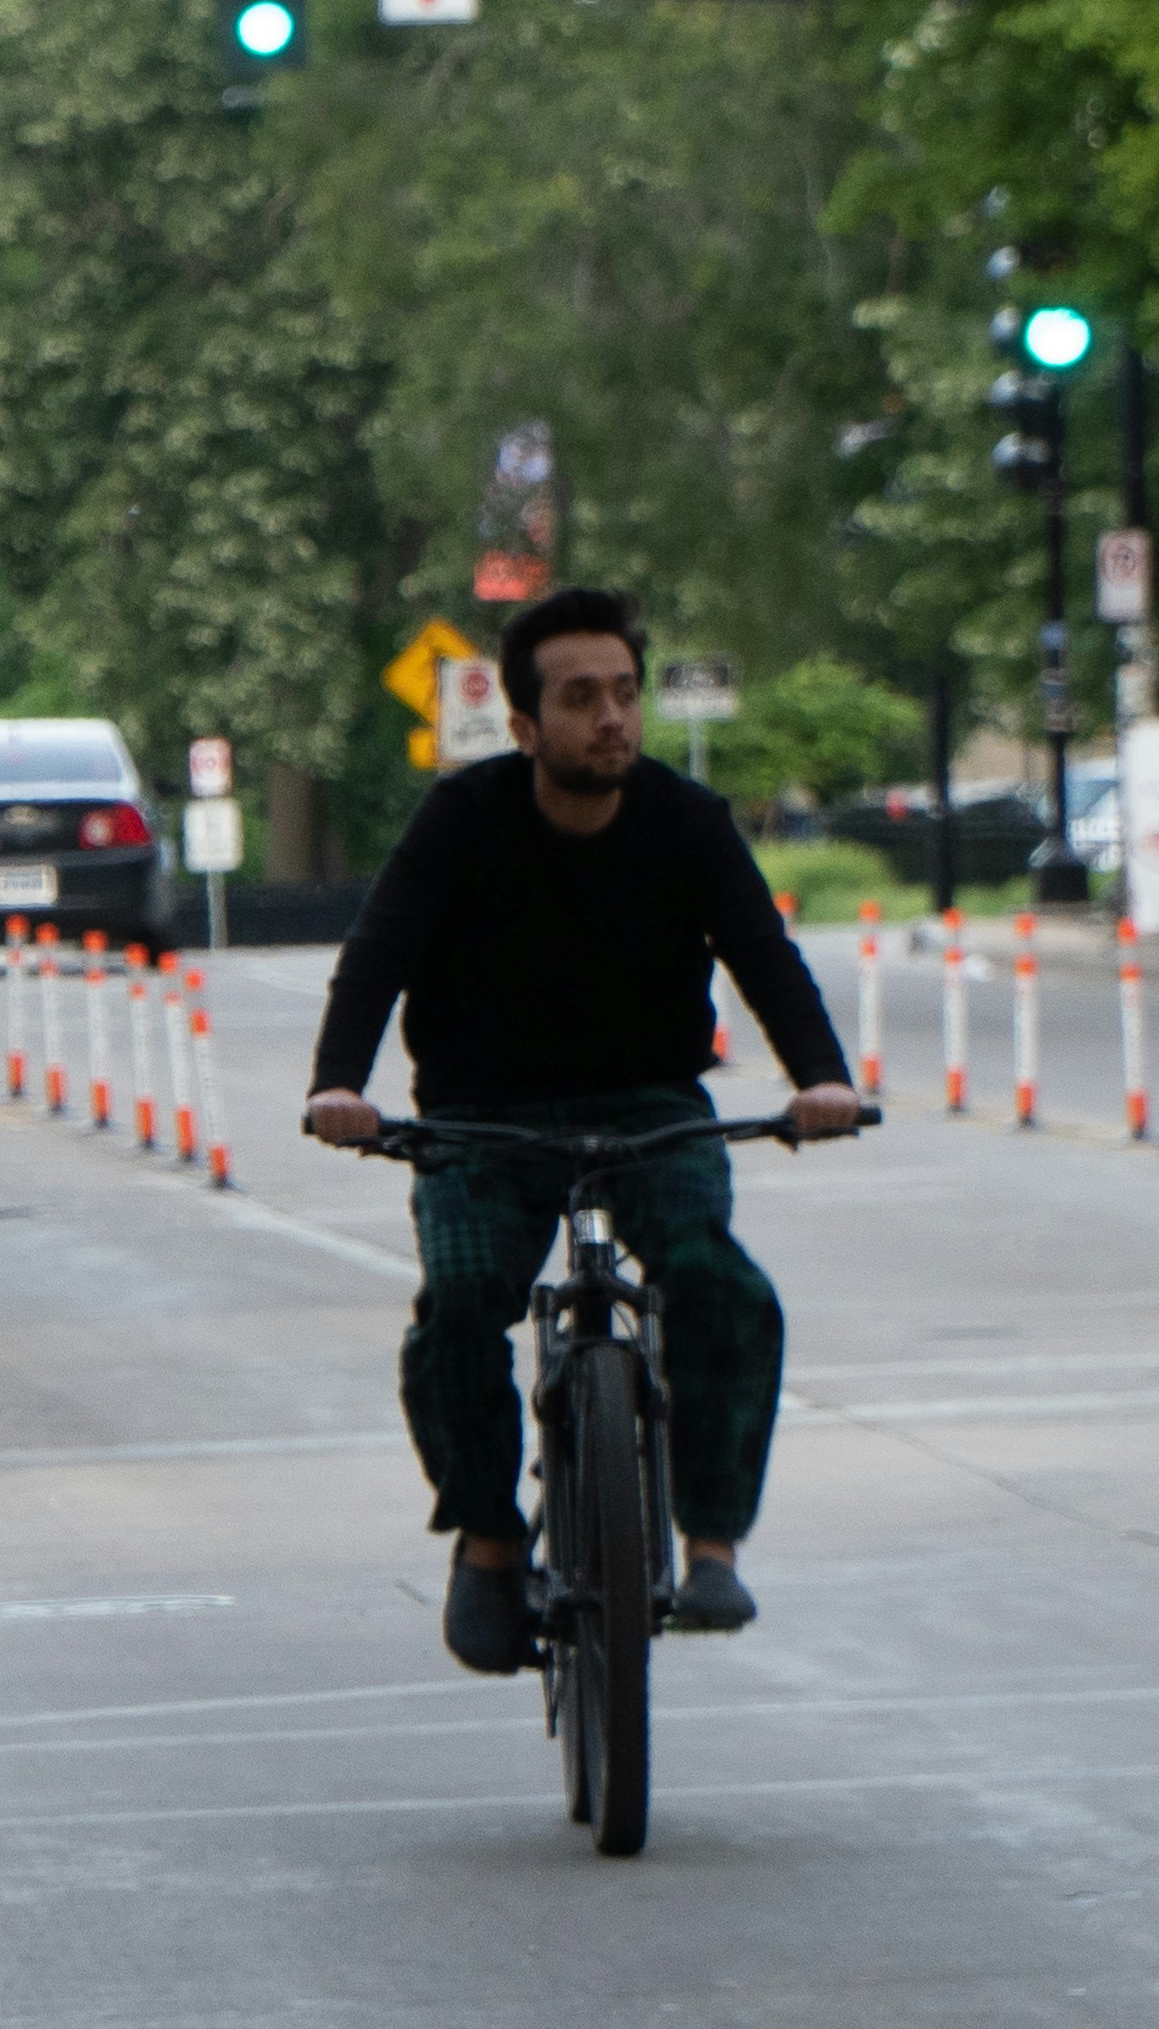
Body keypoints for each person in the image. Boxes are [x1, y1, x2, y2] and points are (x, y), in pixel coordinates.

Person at [303, 586, 866, 1669]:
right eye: (578, 698)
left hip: (650, 1106)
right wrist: (340, 1085)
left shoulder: (684, 822)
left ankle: (709, 1543)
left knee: (717, 1281)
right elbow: (378, 954)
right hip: (483, 1115)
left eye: (623, 694)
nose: (610, 718)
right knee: (464, 1300)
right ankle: (487, 1542)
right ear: (524, 726)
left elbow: (763, 956)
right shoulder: (463, 821)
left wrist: (822, 1081)